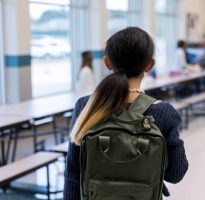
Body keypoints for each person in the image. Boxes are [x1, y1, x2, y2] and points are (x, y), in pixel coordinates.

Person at [64, 27, 188, 199]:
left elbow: (73, 173)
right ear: (150, 65)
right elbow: (176, 174)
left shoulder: (86, 106)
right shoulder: (163, 112)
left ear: (107, 62)